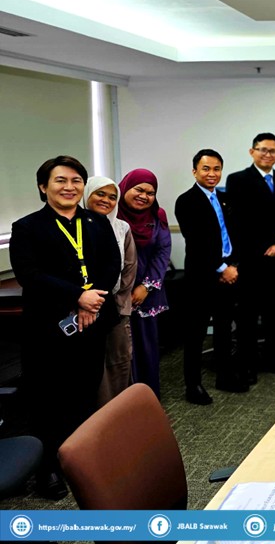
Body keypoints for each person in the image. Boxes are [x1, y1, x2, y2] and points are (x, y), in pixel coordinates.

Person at [10, 155, 120, 499]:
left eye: (76, 181)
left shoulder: (97, 222)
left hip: (93, 323)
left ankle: (81, 460)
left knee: (85, 394)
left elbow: (112, 264)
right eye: (60, 180)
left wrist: (93, 301)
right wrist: (77, 297)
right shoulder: (27, 228)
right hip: (48, 330)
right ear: (43, 187)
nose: (69, 187)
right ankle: (49, 469)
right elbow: (30, 275)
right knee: (49, 400)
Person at [175, 149, 248, 405]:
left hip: (229, 274)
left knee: (224, 328)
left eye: (216, 169)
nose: (212, 173)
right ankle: (193, 385)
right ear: (194, 171)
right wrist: (221, 267)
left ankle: (225, 376)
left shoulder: (226, 198)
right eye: (206, 168)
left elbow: (235, 234)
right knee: (195, 334)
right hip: (202, 277)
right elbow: (197, 242)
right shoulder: (186, 201)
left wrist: (233, 265)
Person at [226, 133, 275, 380]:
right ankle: (247, 363)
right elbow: (243, 219)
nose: (268, 155)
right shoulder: (238, 180)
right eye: (263, 150)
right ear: (252, 152)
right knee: (248, 312)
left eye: (273, 151)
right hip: (252, 257)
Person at [118, 168, 171, 398]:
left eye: (150, 193)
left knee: (146, 346)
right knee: (121, 350)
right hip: (117, 292)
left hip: (146, 293)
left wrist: (146, 287)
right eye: (138, 189)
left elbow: (162, 252)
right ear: (125, 188)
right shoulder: (112, 214)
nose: (144, 196)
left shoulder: (157, 216)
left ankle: (147, 398)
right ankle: (121, 402)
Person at [84, 175, 137, 406]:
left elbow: (129, 267)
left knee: (119, 361)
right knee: (92, 365)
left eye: (112, 197)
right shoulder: (76, 226)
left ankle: (117, 412)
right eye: (100, 194)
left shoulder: (122, 228)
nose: (106, 200)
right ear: (87, 194)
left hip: (114, 305)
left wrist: (119, 303)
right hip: (82, 308)